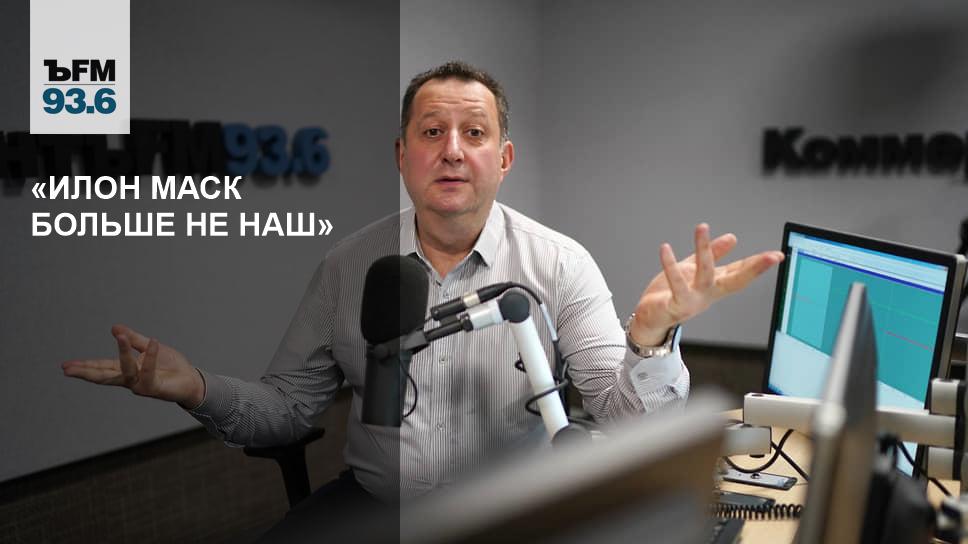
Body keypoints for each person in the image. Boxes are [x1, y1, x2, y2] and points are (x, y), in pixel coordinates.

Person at [62, 61, 784, 504]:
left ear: (504, 158)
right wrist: (196, 388)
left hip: (515, 513)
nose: (452, 151)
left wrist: (651, 339)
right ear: (402, 155)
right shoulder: (348, 266)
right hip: (380, 508)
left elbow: (627, 420)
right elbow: (285, 410)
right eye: (432, 132)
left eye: (474, 133)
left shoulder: (560, 265)